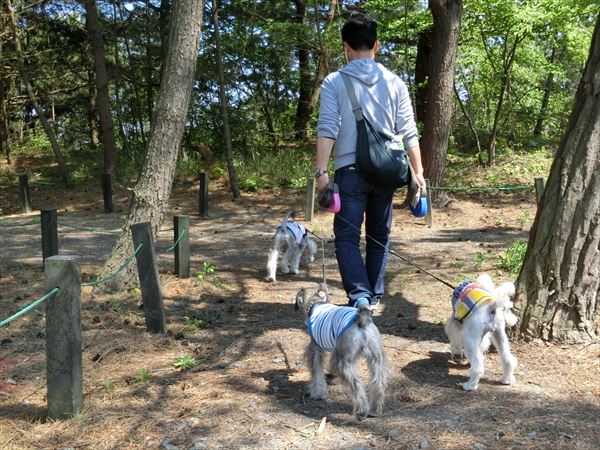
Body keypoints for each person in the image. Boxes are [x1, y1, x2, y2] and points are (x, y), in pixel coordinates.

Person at [314, 17, 426, 311]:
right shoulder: (395, 83)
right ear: (376, 45)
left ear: (345, 47)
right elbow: (409, 131)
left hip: (350, 172)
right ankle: (373, 296)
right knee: (379, 235)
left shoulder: (334, 82)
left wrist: (321, 171)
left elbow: (328, 128)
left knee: (347, 236)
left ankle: (360, 297)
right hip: (385, 172)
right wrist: (418, 172)